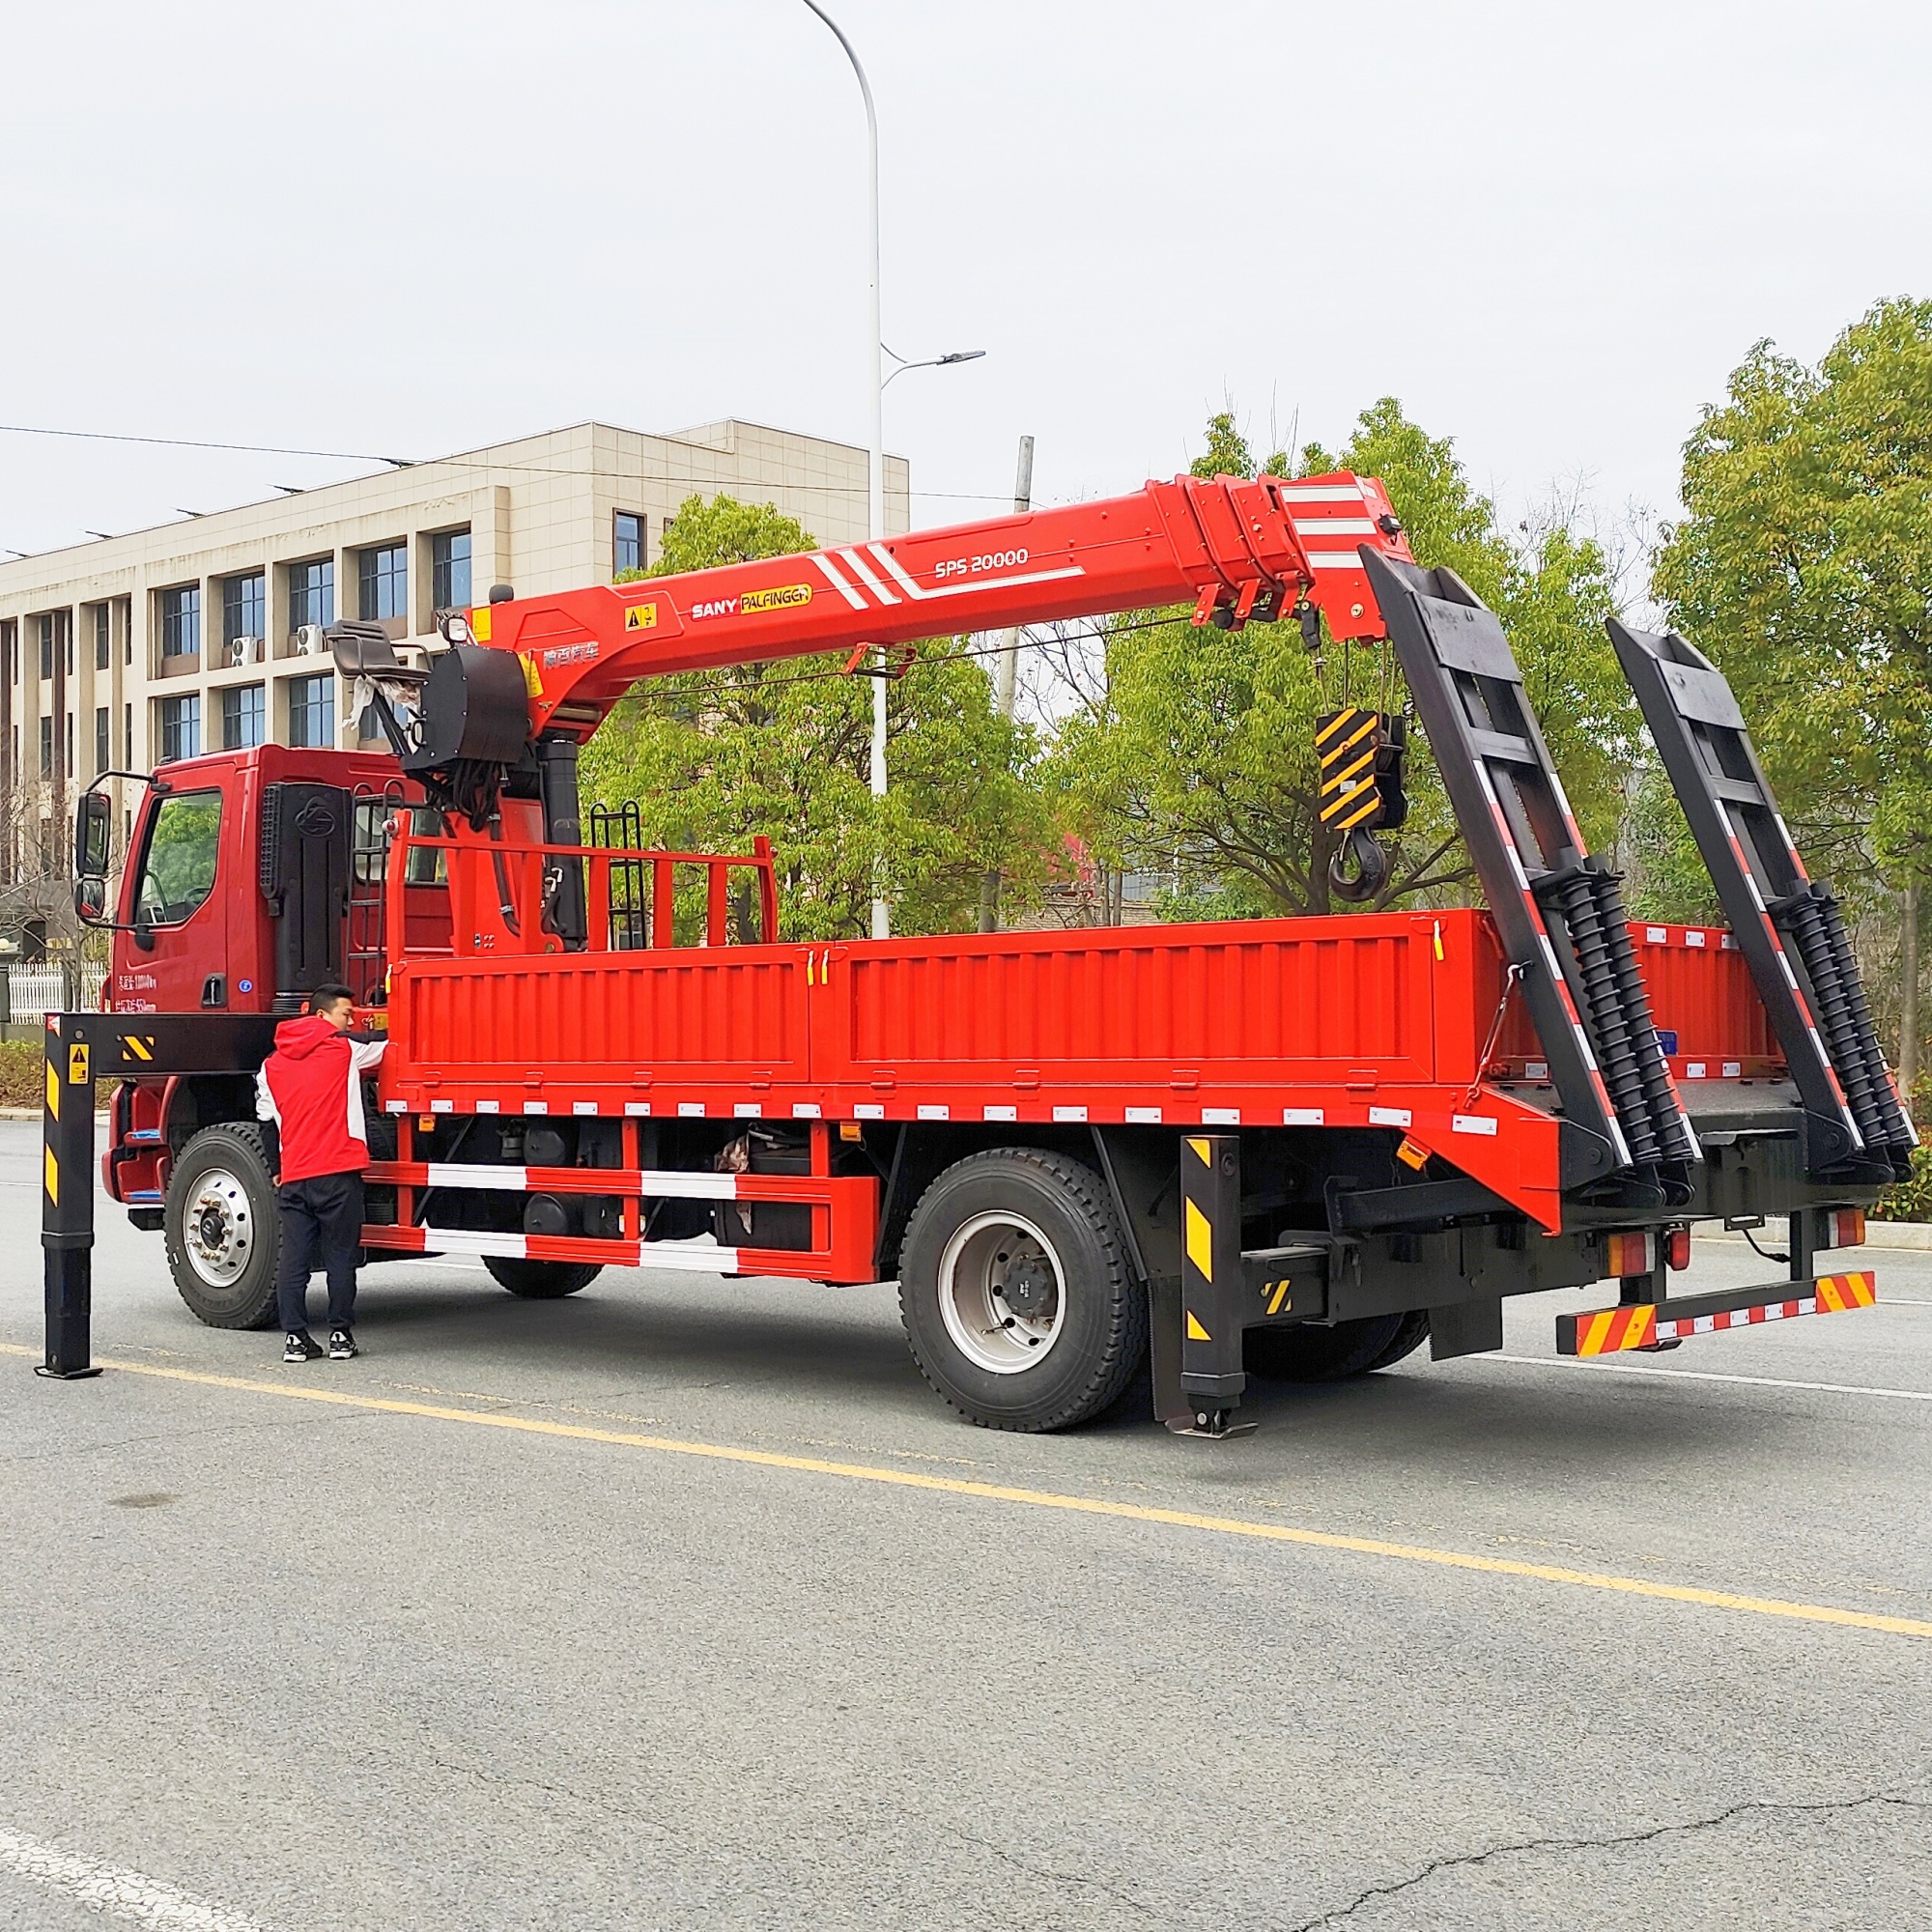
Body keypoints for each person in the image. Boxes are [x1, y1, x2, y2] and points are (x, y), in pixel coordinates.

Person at [255, 983, 387, 1364]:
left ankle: (295, 1339)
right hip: (338, 1172)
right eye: (346, 1014)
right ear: (321, 1015)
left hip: (295, 1176)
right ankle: (341, 1335)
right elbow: (388, 1047)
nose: (351, 1020)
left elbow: (267, 1124)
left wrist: (278, 1171)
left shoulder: (270, 1065)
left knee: (293, 1260)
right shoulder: (345, 1050)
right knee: (340, 1258)